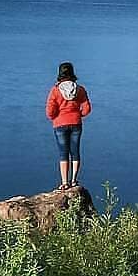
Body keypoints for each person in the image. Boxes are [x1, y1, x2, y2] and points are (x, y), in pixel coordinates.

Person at [45, 61, 91, 190]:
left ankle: (64, 183)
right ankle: (74, 180)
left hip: (60, 124)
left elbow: (50, 111)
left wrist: (55, 117)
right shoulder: (80, 89)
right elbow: (87, 108)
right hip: (76, 123)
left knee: (63, 154)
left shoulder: (55, 90)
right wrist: (78, 114)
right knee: (75, 152)